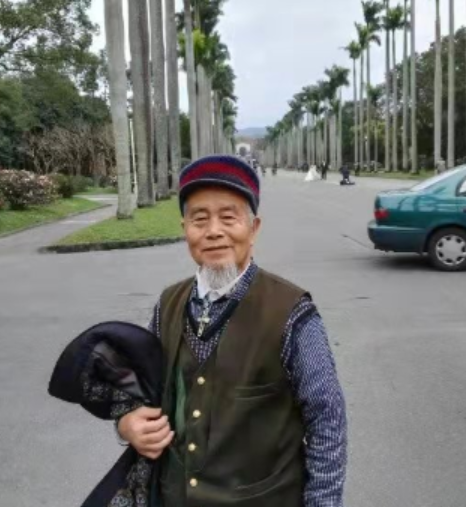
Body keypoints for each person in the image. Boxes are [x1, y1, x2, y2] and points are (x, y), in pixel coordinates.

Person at [118, 155, 348, 507]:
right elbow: (139, 389)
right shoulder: (168, 303)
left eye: (228, 217)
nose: (213, 231)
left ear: (253, 228)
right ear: (185, 229)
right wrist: (128, 422)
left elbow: (327, 421)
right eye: (199, 219)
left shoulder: (291, 312)